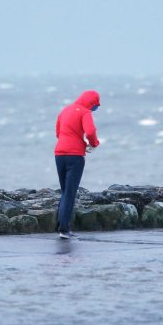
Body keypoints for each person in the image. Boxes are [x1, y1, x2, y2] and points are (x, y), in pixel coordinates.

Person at [54, 90, 101, 239]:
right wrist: (93, 144)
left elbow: (58, 132)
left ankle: (63, 226)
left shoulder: (64, 110)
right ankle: (64, 230)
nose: (95, 108)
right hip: (75, 156)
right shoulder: (85, 112)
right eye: (96, 105)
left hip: (59, 154)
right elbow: (90, 131)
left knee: (64, 191)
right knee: (70, 192)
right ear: (91, 103)